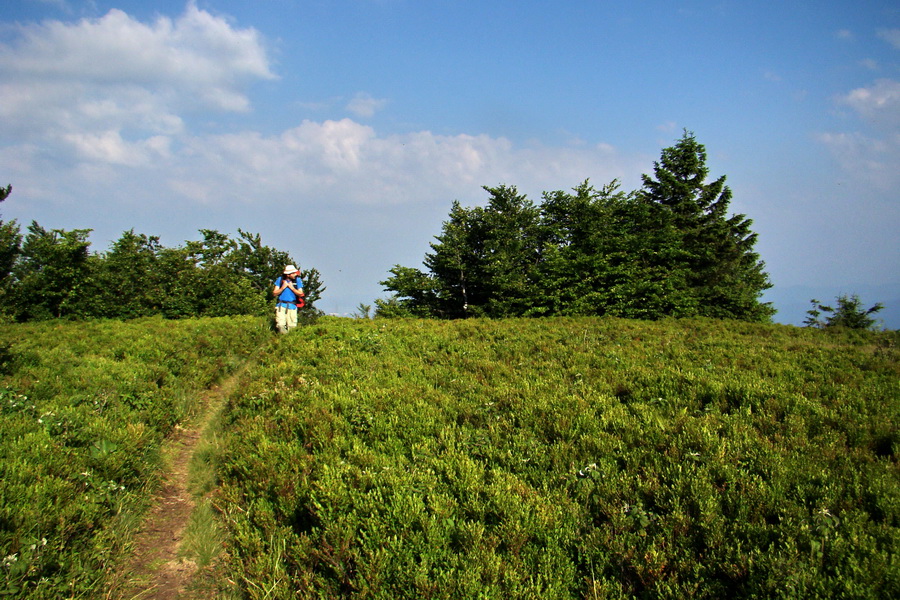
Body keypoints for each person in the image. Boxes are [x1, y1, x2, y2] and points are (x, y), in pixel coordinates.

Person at [273, 265, 304, 334]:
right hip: (281, 305)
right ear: (288, 275)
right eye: (293, 273)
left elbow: (300, 293)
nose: (295, 274)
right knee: (280, 325)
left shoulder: (297, 280)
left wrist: (292, 288)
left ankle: (289, 340)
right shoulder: (280, 279)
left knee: (292, 327)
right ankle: (284, 338)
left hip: (292, 306)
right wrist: (283, 288)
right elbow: (274, 293)